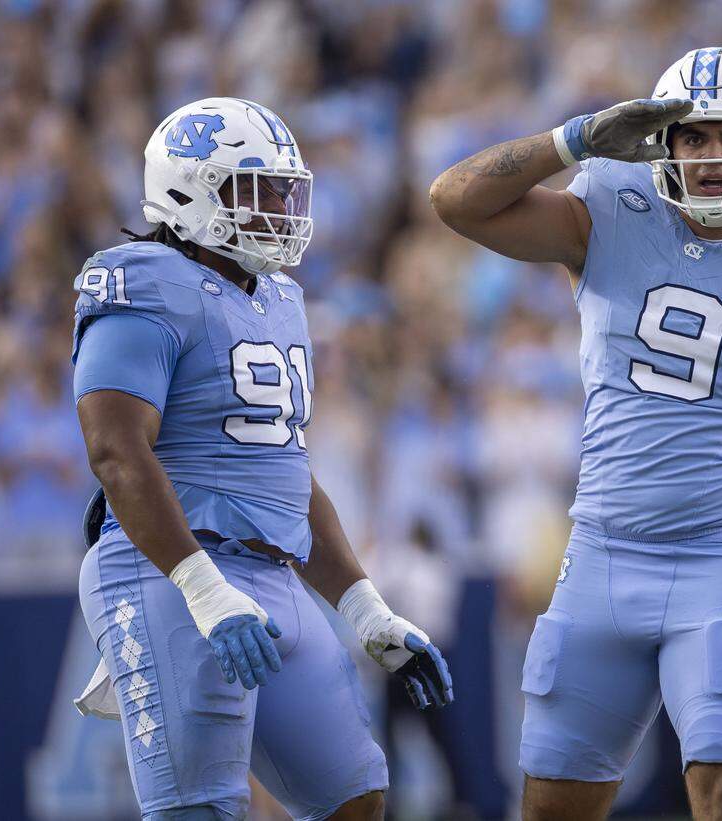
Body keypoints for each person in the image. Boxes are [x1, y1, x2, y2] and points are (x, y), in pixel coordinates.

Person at [430, 47, 722, 820]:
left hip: (721, 562)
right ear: (661, 144)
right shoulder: (609, 212)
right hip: (601, 556)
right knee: (554, 807)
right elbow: (455, 200)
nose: (715, 156)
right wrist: (576, 139)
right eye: (694, 137)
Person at [71, 97, 452, 821]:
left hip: (272, 573)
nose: (281, 205)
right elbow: (114, 451)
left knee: (354, 793)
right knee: (201, 809)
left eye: (285, 188)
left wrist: (364, 606)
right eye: (259, 188)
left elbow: (284, 473)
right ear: (190, 191)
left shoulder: (280, 296)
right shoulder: (140, 281)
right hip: (169, 569)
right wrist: (203, 588)